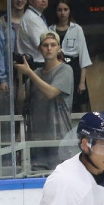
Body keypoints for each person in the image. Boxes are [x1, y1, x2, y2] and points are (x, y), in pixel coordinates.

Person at [14, 32, 74, 171]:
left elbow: (51, 93)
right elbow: (21, 100)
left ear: (59, 48)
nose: (49, 48)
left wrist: (29, 73)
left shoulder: (65, 69)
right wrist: (20, 76)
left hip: (59, 138)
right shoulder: (37, 73)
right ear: (39, 49)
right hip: (37, 140)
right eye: (45, 45)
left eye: (53, 45)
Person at [51, 0, 92, 113]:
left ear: (69, 11)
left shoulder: (77, 29)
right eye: (59, 10)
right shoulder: (50, 30)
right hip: (57, 68)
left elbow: (83, 56)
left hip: (74, 68)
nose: (62, 13)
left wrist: (82, 82)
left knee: (78, 105)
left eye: (65, 9)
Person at [0, 0, 27, 94]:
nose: (20, 0)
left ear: (26, 0)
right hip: (10, 73)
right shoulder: (2, 24)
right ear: (10, 0)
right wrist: (2, 79)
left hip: (31, 70)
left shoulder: (33, 21)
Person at [17, 0, 50, 68]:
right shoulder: (31, 18)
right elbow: (43, 45)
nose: (43, 0)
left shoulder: (37, 16)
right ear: (30, 1)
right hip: (36, 65)